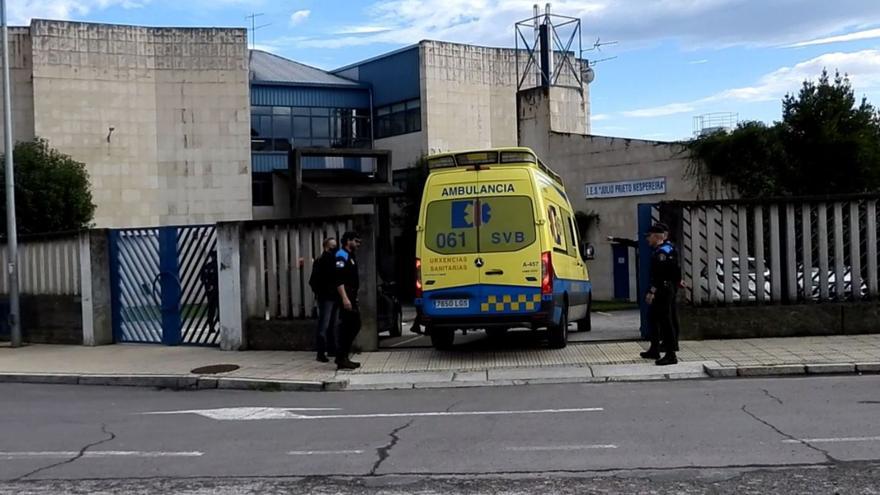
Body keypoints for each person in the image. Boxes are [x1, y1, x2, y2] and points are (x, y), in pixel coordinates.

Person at [640, 222, 682, 366]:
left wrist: (652, 291)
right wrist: (677, 281)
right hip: (666, 287)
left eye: (649, 236)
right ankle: (654, 349)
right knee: (653, 318)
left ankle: (671, 354)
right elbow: (676, 270)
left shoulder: (662, 253)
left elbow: (660, 275)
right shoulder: (668, 249)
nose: (647, 239)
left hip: (662, 289)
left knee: (665, 321)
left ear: (656, 236)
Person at [334, 232, 363, 370]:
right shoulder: (341, 255)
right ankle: (341, 357)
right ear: (348, 241)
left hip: (351, 295)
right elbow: (338, 279)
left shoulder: (350, 255)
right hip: (345, 295)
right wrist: (345, 298)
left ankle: (342, 357)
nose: (358, 244)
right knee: (352, 325)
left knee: (352, 325)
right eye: (356, 241)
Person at [309, 237, 339, 363]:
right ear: (326, 246)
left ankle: (331, 349)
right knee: (324, 325)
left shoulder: (332, 260)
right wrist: (321, 292)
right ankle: (321, 352)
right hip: (326, 297)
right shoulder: (321, 261)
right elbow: (313, 281)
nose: (335, 248)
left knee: (331, 324)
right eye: (333, 246)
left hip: (333, 296)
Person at [200, 250, 219, 334]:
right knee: (219, 308)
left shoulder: (207, 266)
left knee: (211, 308)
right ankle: (214, 325)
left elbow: (202, 278)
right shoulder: (217, 266)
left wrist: (208, 286)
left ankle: (211, 326)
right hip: (217, 290)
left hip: (210, 291)